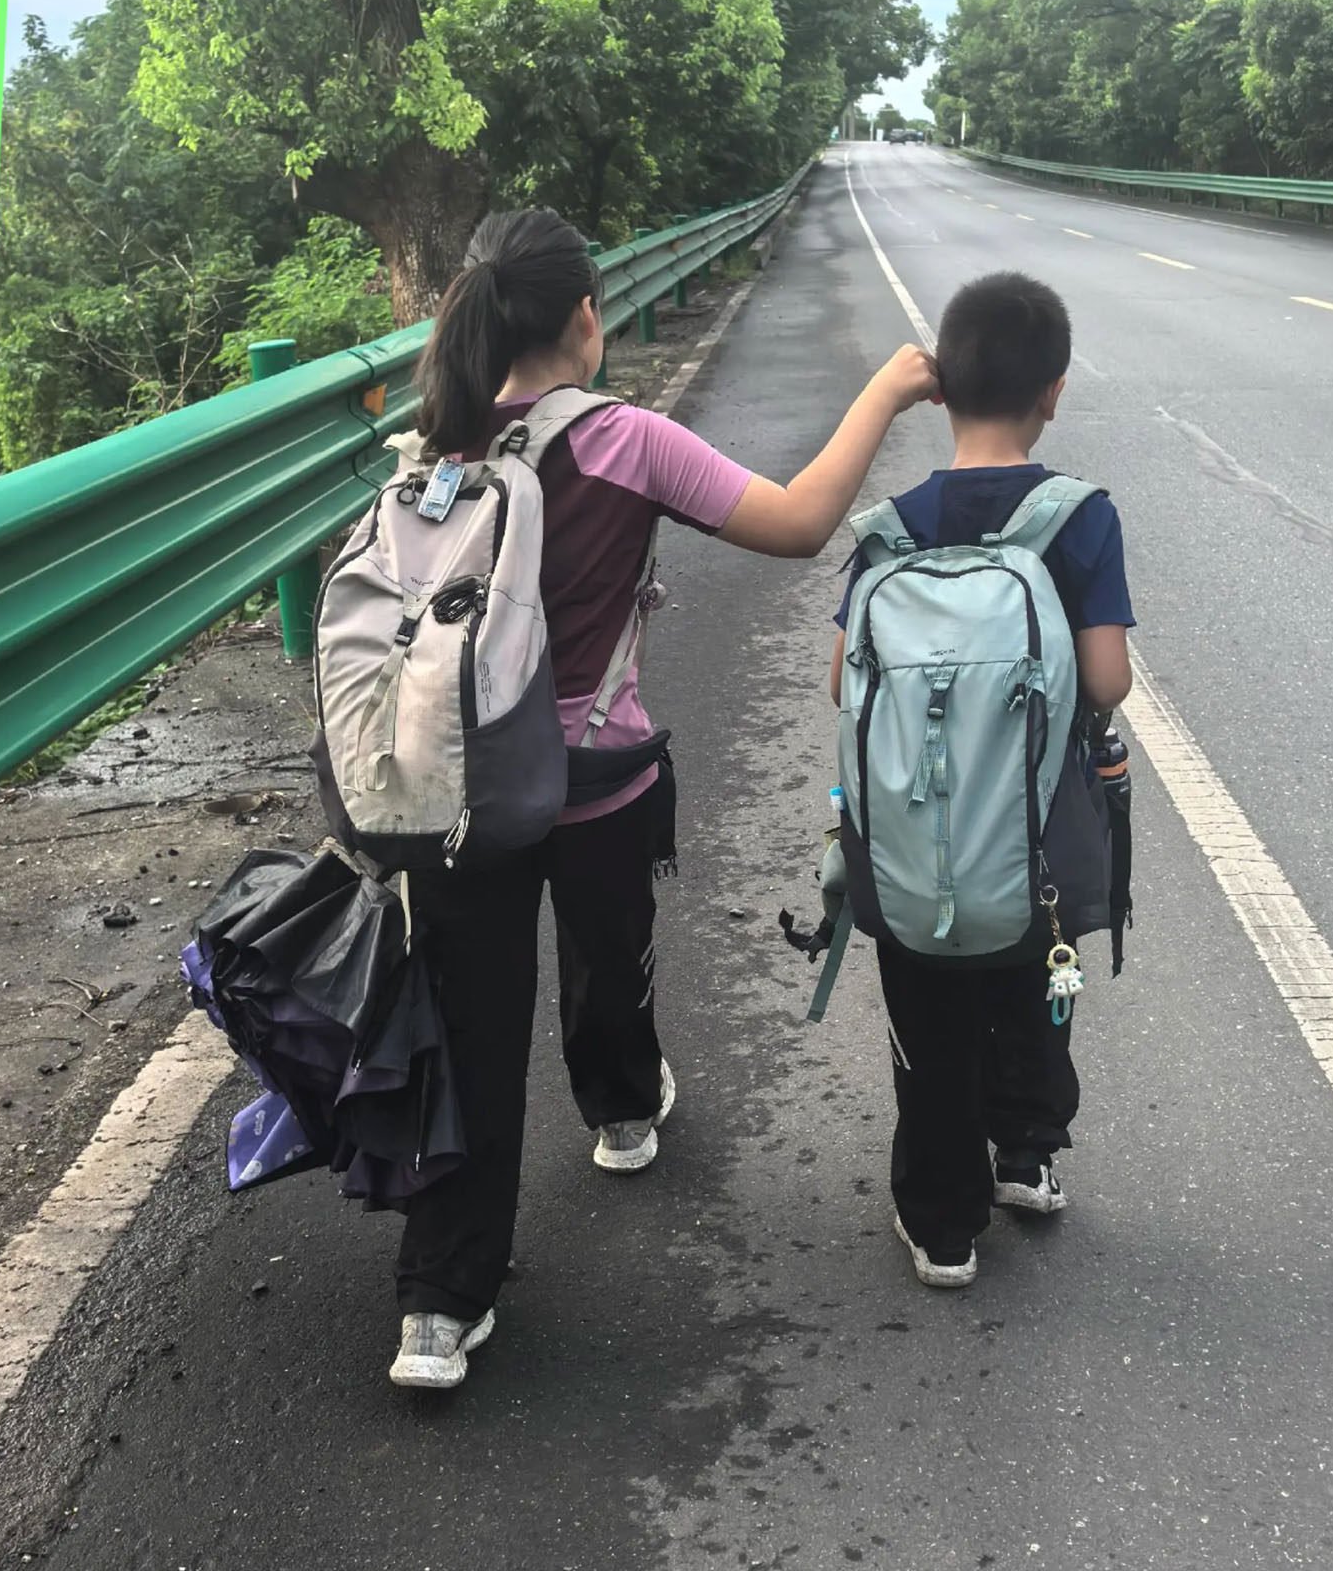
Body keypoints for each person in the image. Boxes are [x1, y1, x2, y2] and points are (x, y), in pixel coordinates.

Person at [387, 207, 938, 1390]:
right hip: (590, 775)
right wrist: (885, 392)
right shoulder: (625, 439)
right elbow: (796, 522)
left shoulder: (429, 445)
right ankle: (624, 1111)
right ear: (589, 315)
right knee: (607, 947)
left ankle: (438, 1306)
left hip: (451, 791)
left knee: (468, 1033)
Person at [828, 271, 1130, 1289]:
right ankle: (1029, 1155)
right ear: (1055, 390)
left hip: (913, 842)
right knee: (1034, 984)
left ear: (940, 390)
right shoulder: (1078, 517)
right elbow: (1105, 678)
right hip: (1040, 831)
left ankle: (945, 1222)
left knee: (930, 1013)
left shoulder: (887, 527)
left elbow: (842, 684)